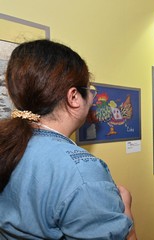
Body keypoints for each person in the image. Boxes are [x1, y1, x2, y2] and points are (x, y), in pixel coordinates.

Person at [0, 39, 137, 239]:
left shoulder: (9, 146)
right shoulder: (82, 171)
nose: (92, 99)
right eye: (90, 91)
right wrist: (126, 210)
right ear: (73, 97)